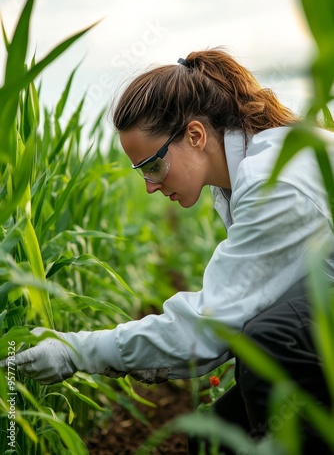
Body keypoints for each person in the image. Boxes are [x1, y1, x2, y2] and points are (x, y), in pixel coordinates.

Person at [1, 48, 334, 453]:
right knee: (214, 438)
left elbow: (209, 327)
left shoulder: (275, 182)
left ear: (195, 135)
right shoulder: (248, 172)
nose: (150, 186)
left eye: (153, 166)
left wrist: (76, 351)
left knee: (270, 339)